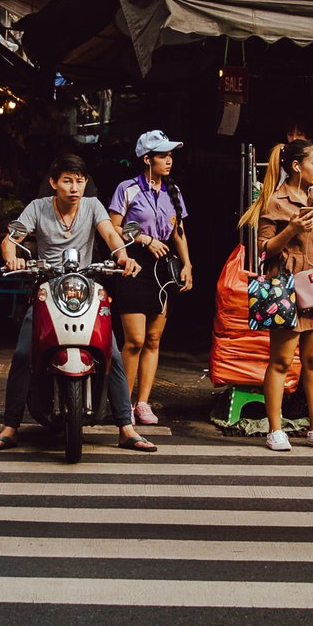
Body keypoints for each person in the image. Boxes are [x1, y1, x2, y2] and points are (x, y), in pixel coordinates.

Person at [0, 153, 155, 454]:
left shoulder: (92, 206)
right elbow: (11, 238)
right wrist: (11, 253)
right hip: (47, 288)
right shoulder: (38, 208)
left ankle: (125, 429)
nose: (74, 188)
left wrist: (123, 256)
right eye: (67, 181)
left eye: (79, 181)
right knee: (24, 353)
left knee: (111, 352)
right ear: (53, 183)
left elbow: (111, 235)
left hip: (86, 286)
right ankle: (10, 427)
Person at [242, 138, 313, 452]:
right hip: (286, 284)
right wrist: (292, 228)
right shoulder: (276, 200)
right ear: (297, 166)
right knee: (282, 360)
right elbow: (264, 247)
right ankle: (275, 428)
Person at [107, 130, 194, 426]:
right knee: (134, 339)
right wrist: (143, 239)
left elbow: (177, 231)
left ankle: (142, 403)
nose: (169, 161)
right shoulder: (127, 189)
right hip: (133, 263)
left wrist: (187, 265)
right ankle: (122, 403)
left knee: (154, 339)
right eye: (162, 156)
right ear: (147, 159)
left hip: (163, 268)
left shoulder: (174, 191)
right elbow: (113, 227)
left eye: (170, 155)